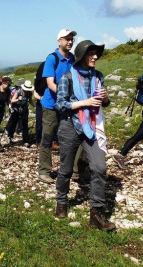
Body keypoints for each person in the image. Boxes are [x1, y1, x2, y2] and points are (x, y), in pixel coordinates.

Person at [54, 40, 116, 231]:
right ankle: (61, 202)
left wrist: (105, 99)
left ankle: (96, 213)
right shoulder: (67, 77)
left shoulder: (98, 76)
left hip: (91, 126)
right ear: (82, 56)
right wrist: (84, 102)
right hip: (69, 126)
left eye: (97, 54)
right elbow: (60, 104)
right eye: (92, 54)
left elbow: (103, 103)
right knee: (65, 169)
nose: (95, 57)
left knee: (99, 167)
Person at [38, 28, 76, 184]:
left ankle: (72, 170)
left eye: (72, 38)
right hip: (51, 105)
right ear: (58, 41)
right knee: (47, 138)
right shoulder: (52, 58)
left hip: (67, 105)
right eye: (66, 38)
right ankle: (44, 171)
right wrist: (64, 97)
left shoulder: (73, 58)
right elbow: (50, 83)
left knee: (70, 138)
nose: (70, 41)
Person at [5, 80, 35, 147]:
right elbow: (12, 100)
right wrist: (18, 99)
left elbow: (30, 101)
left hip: (24, 109)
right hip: (16, 109)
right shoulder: (18, 92)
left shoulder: (29, 93)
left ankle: (26, 140)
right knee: (14, 124)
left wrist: (35, 107)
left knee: (25, 125)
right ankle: (9, 137)